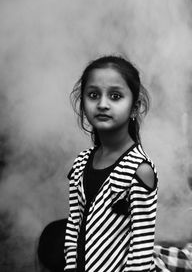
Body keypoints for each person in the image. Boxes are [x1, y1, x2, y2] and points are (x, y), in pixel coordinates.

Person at [64, 55, 158, 272]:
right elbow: (73, 228)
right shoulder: (80, 163)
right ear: (83, 104)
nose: (103, 104)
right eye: (93, 95)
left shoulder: (139, 170)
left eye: (115, 96)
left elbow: (141, 251)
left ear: (135, 107)